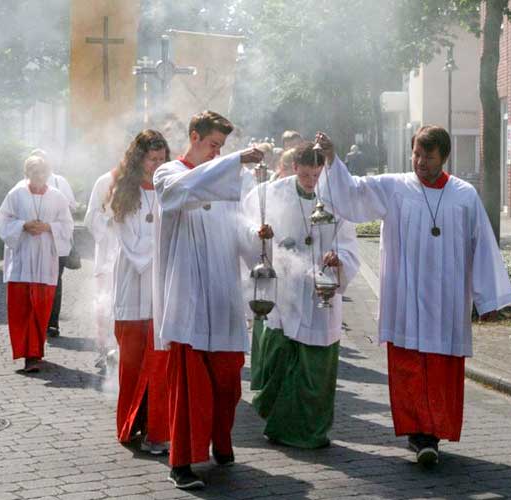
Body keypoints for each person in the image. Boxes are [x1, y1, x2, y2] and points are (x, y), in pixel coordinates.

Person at [316, 126, 511, 466]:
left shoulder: (464, 195)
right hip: (406, 292)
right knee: (408, 363)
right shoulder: (395, 187)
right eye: (417, 155)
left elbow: (482, 247)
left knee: (439, 368)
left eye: (429, 157)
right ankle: (416, 432)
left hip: (446, 298)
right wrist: (332, 159)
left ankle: (432, 432)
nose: (421, 162)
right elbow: (352, 194)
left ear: (444, 157)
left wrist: (488, 299)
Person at [152, 110, 264, 489]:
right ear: (194, 136)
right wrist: (234, 161)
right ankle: (180, 462)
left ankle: (222, 441)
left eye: (223, 147)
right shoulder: (167, 173)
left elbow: (237, 229)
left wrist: (258, 234)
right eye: (214, 144)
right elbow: (181, 192)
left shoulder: (222, 177)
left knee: (229, 382)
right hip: (187, 298)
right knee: (189, 388)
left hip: (223, 295)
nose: (218, 152)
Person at [243, 141, 359, 448]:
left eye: (315, 175)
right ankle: (278, 425)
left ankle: (309, 431)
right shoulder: (272, 194)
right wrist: (262, 235)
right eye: (305, 174)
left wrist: (339, 258)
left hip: (320, 289)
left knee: (315, 366)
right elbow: (249, 223)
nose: (310, 181)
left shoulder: (334, 198)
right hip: (287, 288)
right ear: (295, 168)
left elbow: (348, 241)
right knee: (279, 355)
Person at [106, 129, 171, 455]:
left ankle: (154, 429)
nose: (156, 165)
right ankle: (130, 426)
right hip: (134, 286)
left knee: (159, 364)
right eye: (151, 159)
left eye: (162, 159)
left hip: (161, 290)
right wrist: (163, 252)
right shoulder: (124, 191)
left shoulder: (169, 188)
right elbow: (131, 243)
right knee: (132, 364)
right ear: (138, 159)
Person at [0, 155, 73, 373]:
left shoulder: (57, 197)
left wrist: (49, 227)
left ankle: (35, 354)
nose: (39, 176)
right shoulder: (16, 194)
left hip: (44, 263)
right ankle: (24, 353)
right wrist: (23, 225)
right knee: (21, 309)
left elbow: (67, 225)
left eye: (43, 172)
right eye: (35, 172)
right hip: (21, 262)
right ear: (27, 173)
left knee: (40, 309)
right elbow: (2, 220)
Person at [22, 148, 78, 339]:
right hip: (33, 243)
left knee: (54, 282)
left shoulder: (59, 182)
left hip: (57, 243)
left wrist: (51, 221)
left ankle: (51, 322)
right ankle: (39, 321)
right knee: (36, 282)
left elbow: (70, 207)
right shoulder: (22, 186)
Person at [84, 166, 119, 371]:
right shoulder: (104, 181)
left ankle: (123, 351)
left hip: (134, 256)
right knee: (104, 303)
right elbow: (91, 216)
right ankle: (103, 350)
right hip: (107, 252)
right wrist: (109, 222)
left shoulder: (145, 180)